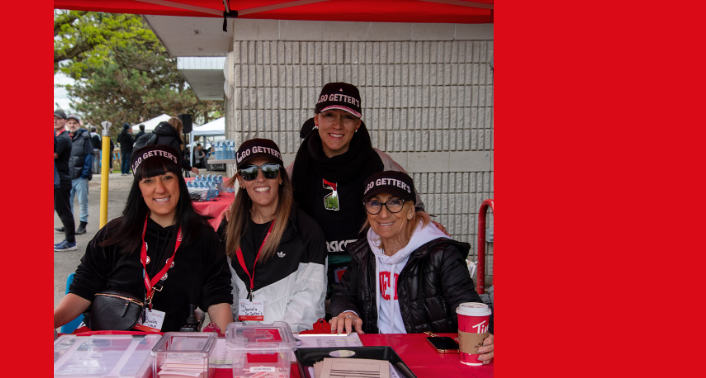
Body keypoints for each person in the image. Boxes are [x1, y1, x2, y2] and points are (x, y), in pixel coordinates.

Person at [53, 144, 234, 332]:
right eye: (148, 181)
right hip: (110, 346)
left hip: (169, 349)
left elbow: (217, 297)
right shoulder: (114, 233)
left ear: (180, 181)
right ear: (139, 188)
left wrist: (230, 343)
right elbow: (82, 289)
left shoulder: (203, 238)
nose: (160, 189)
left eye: (167, 178)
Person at [287, 82, 429, 309]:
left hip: (367, 268)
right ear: (317, 120)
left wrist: (431, 227)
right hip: (313, 268)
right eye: (329, 115)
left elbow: (415, 209)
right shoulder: (299, 167)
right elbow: (266, 200)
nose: (338, 124)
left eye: (347, 117)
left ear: (357, 124)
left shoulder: (380, 163)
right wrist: (236, 209)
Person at [329, 171, 494, 364]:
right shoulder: (365, 252)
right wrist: (349, 312)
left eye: (394, 202)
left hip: (431, 359)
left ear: (410, 210)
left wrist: (488, 337)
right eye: (374, 203)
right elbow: (343, 294)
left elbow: (466, 307)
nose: (383, 213)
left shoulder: (441, 253)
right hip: (377, 355)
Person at [216, 139, 327, 332]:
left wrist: (272, 341)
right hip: (238, 340)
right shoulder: (229, 228)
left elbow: (308, 305)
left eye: (270, 170)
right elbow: (220, 288)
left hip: (286, 344)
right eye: (250, 172)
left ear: (281, 177)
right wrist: (233, 334)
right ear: (241, 181)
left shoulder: (307, 231)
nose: (260, 178)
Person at [64, 114, 93, 235]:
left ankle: (83, 224)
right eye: (70, 123)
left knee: (82, 201)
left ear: (78, 124)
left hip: (80, 176)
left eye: (74, 123)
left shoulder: (85, 137)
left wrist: (85, 173)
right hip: (67, 175)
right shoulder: (64, 137)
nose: (72, 125)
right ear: (67, 124)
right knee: (67, 203)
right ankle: (68, 224)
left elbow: (89, 155)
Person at [53, 110, 77, 251]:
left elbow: (54, 155)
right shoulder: (57, 136)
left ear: (64, 121)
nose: (55, 121)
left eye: (58, 119)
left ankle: (70, 241)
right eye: (53, 119)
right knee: (62, 210)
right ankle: (69, 240)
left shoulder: (62, 138)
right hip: (58, 178)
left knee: (64, 211)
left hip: (61, 179)